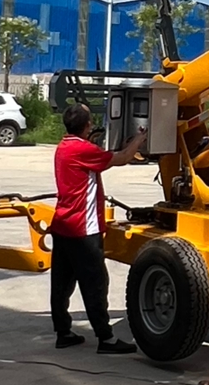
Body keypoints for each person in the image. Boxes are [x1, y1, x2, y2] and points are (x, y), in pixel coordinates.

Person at [51, 101, 146, 353]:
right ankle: (106, 338)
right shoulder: (83, 150)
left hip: (62, 225)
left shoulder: (64, 147)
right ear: (87, 125)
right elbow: (122, 158)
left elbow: (93, 158)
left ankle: (63, 332)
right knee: (95, 283)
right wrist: (140, 139)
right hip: (83, 228)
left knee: (62, 283)